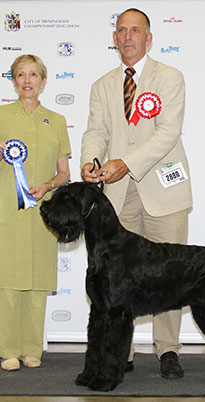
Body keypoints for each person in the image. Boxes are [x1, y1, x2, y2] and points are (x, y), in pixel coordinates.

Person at [80, 8, 192, 379]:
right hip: (117, 194)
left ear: (148, 37)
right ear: (114, 38)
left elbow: (167, 134)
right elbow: (95, 132)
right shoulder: (102, 85)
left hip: (164, 189)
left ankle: (168, 350)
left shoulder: (170, 77)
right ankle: (120, 353)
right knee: (117, 280)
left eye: (135, 31)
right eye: (121, 31)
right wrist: (90, 162)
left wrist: (125, 161)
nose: (127, 37)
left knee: (169, 274)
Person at [0, 54, 71, 371]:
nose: (26, 81)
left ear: (43, 80)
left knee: (38, 282)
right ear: (13, 81)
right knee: (9, 281)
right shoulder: (1, 116)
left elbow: (64, 172)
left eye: (33, 75)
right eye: (20, 75)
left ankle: (32, 348)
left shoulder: (56, 120)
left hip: (44, 210)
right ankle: (8, 350)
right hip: (6, 209)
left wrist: (47, 186)